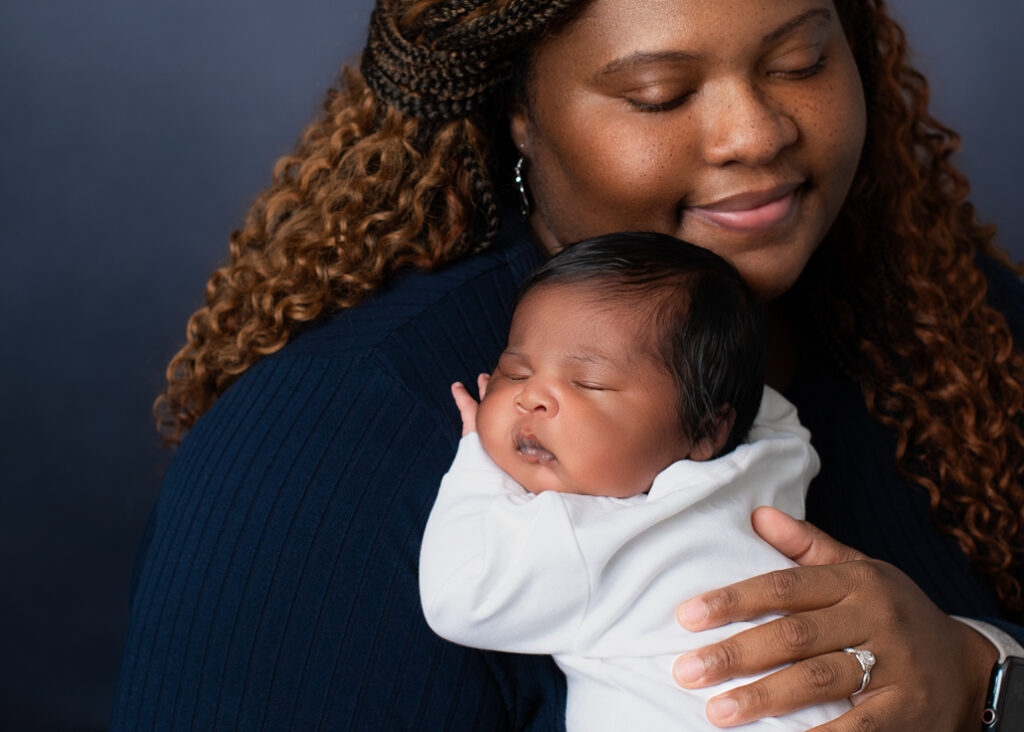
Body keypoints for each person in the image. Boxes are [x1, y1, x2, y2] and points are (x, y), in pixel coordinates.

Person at [111, 0, 1024, 729]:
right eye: (661, 93)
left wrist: (985, 678)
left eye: (800, 61)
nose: (755, 133)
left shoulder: (953, 321)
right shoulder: (322, 449)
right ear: (520, 110)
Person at [419, 232, 852, 729]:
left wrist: (476, 458)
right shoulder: (775, 456)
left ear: (708, 429)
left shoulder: (582, 540)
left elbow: (458, 598)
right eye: (513, 373)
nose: (531, 397)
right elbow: (766, 409)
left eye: (588, 384)